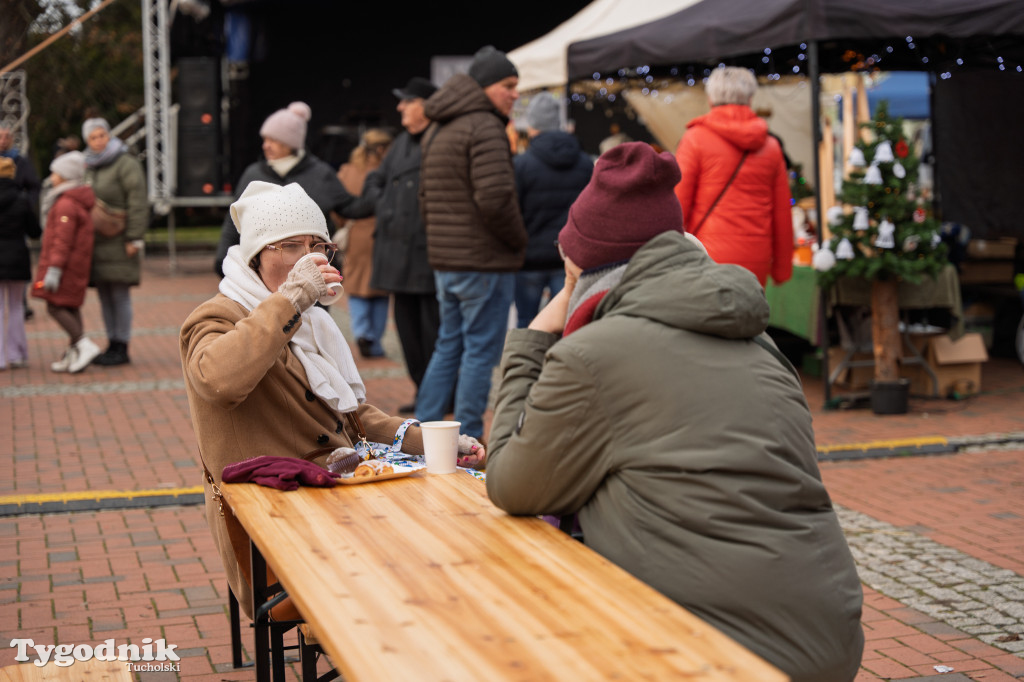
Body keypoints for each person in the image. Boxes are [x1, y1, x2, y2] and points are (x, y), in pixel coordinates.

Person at [485, 142, 865, 682]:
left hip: (717, 648)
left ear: (584, 266)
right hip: (829, 630)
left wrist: (535, 334)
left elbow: (509, 481)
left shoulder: (593, 355)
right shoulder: (760, 341)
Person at [179, 181, 485, 619]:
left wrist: (424, 440)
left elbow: (350, 416)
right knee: (426, 559)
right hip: (276, 527)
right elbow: (218, 381)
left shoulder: (311, 322)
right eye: (290, 246)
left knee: (461, 516)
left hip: (335, 498)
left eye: (317, 245)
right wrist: (290, 300)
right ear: (256, 255)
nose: (308, 257)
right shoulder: (218, 315)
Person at [416, 45, 528, 439]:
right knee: (480, 352)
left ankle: (422, 431)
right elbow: (496, 199)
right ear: (484, 86)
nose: (515, 93)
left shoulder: (439, 125)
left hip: (449, 260)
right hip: (484, 260)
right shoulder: (485, 127)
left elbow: (425, 197)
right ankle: (465, 438)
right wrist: (519, 242)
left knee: (448, 345)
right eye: (508, 85)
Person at [214, 101, 371, 277]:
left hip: (313, 275)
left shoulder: (320, 173)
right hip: (262, 277)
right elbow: (233, 222)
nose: (266, 145)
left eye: (273, 140)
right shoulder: (253, 174)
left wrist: (379, 187)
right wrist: (222, 259)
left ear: (291, 142)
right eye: (265, 139)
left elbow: (350, 207)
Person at [362, 76, 441, 413]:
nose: (400, 107)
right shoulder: (401, 144)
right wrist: (386, 203)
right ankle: (425, 392)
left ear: (424, 105)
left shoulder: (439, 139)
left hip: (427, 256)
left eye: (407, 101)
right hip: (397, 255)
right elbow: (375, 180)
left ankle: (437, 396)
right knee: (408, 335)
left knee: (434, 333)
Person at [673, 66, 793, 287]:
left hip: (707, 257)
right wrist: (782, 269)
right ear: (750, 97)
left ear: (710, 98)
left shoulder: (695, 139)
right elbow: (782, 212)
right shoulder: (771, 146)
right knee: (750, 318)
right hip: (756, 260)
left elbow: (677, 205)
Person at [512, 91, 593, 327]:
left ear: (533, 125)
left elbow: (512, 213)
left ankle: (528, 365)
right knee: (568, 324)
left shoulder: (521, 165)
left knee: (527, 325)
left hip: (530, 260)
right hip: (568, 258)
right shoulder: (584, 163)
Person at [82, 117, 149, 366]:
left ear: (109, 135)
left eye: (102, 135)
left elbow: (137, 201)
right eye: (93, 137)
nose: (99, 140)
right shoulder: (87, 165)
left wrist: (134, 237)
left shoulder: (125, 163)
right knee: (103, 294)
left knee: (119, 294)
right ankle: (111, 343)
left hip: (121, 240)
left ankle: (121, 345)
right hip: (96, 242)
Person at [30, 151, 102, 372]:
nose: (52, 176)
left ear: (66, 175)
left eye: (55, 172)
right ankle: (74, 352)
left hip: (65, 266)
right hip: (73, 265)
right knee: (69, 305)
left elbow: (62, 240)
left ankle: (82, 343)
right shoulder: (72, 200)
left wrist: (54, 269)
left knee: (55, 306)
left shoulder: (66, 204)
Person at [334, 128, 393, 358]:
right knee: (380, 290)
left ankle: (361, 332)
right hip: (383, 235)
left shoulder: (346, 171)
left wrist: (344, 224)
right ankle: (375, 341)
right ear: (381, 149)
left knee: (357, 288)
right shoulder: (385, 172)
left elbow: (337, 206)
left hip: (355, 236)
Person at [0, 157, 41, 370]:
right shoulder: (22, 200)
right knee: (16, 306)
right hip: (17, 256)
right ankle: (16, 353)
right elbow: (35, 231)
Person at [0, 123, 42, 322]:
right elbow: (37, 232)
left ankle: (21, 300)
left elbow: (34, 185)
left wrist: (26, 204)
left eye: (6, 136)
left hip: (15, 219)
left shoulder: (21, 162)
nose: (3, 140)